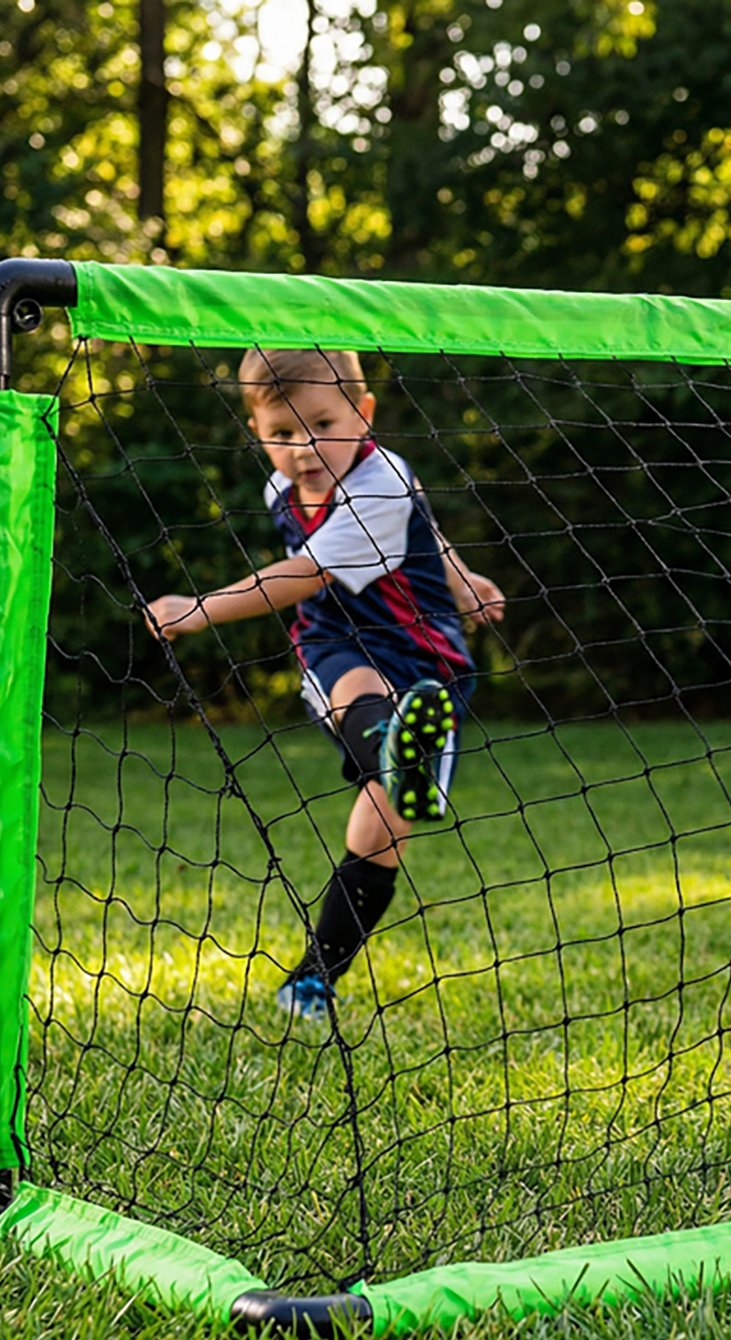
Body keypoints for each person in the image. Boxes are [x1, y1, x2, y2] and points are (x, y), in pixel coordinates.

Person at [143, 347, 505, 1021]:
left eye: (322, 424)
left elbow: (307, 573)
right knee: (355, 688)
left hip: (427, 661)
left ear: (364, 415)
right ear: (258, 433)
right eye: (282, 433)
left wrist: (197, 609)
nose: (304, 448)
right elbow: (343, 571)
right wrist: (464, 579)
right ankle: (397, 754)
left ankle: (315, 972)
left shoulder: (382, 480)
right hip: (336, 643)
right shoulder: (280, 489)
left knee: (381, 834)